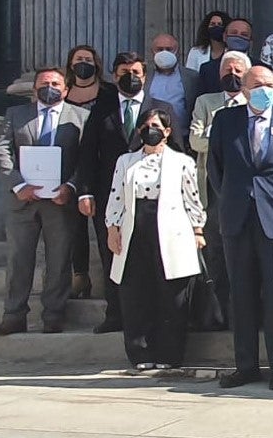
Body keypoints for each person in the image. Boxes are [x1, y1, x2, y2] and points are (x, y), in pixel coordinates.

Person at [208, 66, 273, 390]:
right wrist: (233, 198)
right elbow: (216, 168)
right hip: (237, 218)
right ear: (243, 87)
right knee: (240, 294)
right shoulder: (226, 121)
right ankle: (246, 365)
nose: (264, 90)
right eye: (257, 85)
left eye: (270, 85)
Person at [76, 52, 182, 335]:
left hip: (154, 199)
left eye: (136, 72)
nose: (131, 77)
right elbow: (87, 152)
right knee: (113, 255)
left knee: (151, 257)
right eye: (124, 71)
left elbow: (181, 153)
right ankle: (116, 314)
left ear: (145, 76)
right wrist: (85, 192)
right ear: (114, 75)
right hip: (111, 196)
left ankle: (152, 316)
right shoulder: (102, 109)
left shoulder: (162, 108)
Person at [103, 108, 206, 372]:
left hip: (171, 228)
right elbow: (116, 195)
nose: (152, 130)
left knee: (171, 293)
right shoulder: (126, 161)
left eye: (157, 125)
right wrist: (112, 227)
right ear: (139, 131)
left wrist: (198, 230)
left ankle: (169, 354)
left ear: (168, 131)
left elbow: (192, 198)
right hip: (135, 227)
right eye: (147, 125)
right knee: (136, 292)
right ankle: (140, 353)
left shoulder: (182, 162)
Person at [0, 67, 89, 336]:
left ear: (66, 89)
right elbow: (2, 150)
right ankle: (13, 315)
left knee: (59, 260)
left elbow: (87, 159)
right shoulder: (16, 114)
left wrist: (71, 187)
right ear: (34, 88)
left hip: (60, 201)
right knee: (19, 259)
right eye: (44, 83)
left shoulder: (81, 117)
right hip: (23, 201)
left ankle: (54, 314)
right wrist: (18, 185)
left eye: (56, 83)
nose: (50, 87)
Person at [187, 50, 252, 316]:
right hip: (212, 192)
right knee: (215, 252)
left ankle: (242, 312)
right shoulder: (206, 102)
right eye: (227, 70)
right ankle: (216, 313)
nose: (232, 75)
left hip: (245, 192)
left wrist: (216, 141)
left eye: (238, 71)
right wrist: (227, 143)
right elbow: (195, 141)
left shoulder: (254, 102)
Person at [144, 34, 197, 137]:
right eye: (159, 49)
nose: (164, 53)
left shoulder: (191, 77)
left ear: (177, 51)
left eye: (169, 49)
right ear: (152, 52)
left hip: (182, 136)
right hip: (151, 134)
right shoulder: (145, 77)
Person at [198, 18, 254, 96]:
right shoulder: (207, 69)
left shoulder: (261, 67)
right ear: (224, 36)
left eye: (244, 35)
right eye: (234, 33)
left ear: (250, 40)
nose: (238, 37)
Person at [64, 44, 115, 109]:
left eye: (88, 60)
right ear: (71, 65)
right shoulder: (63, 90)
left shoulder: (110, 91)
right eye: (79, 59)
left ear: (95, 65)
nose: (83, 62)